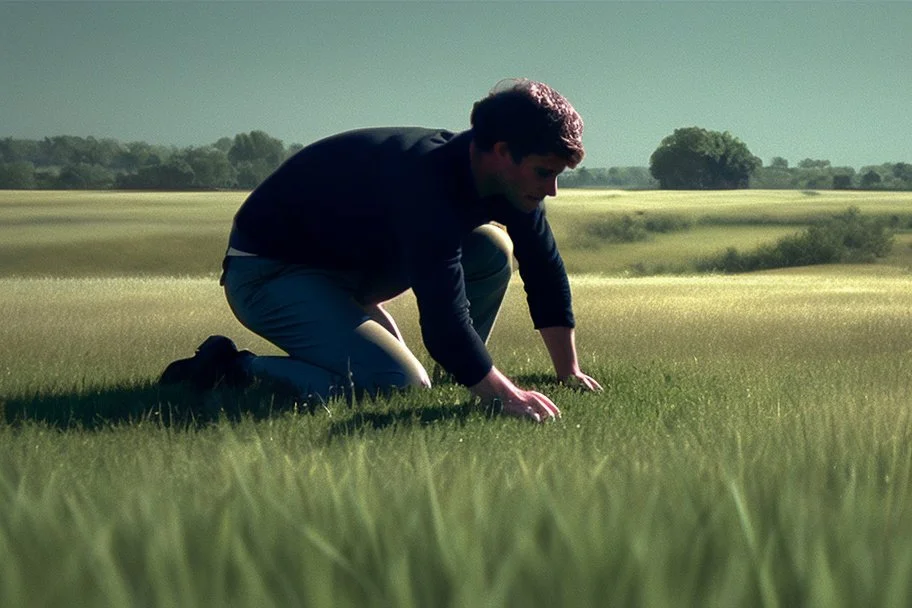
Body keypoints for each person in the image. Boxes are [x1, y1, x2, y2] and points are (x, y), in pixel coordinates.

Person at [161, 78, 602, 422]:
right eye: (545, 172)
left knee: (490, 247)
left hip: (347, 276)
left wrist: (569, 371)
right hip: (270, 276)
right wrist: (507, 397)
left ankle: (465, 376)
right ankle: (233, 368)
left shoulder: (510, 183)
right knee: (397, 387)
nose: (553, 189)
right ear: (502, 152)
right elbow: (444, 317)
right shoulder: (427, 182)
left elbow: (543, 268)